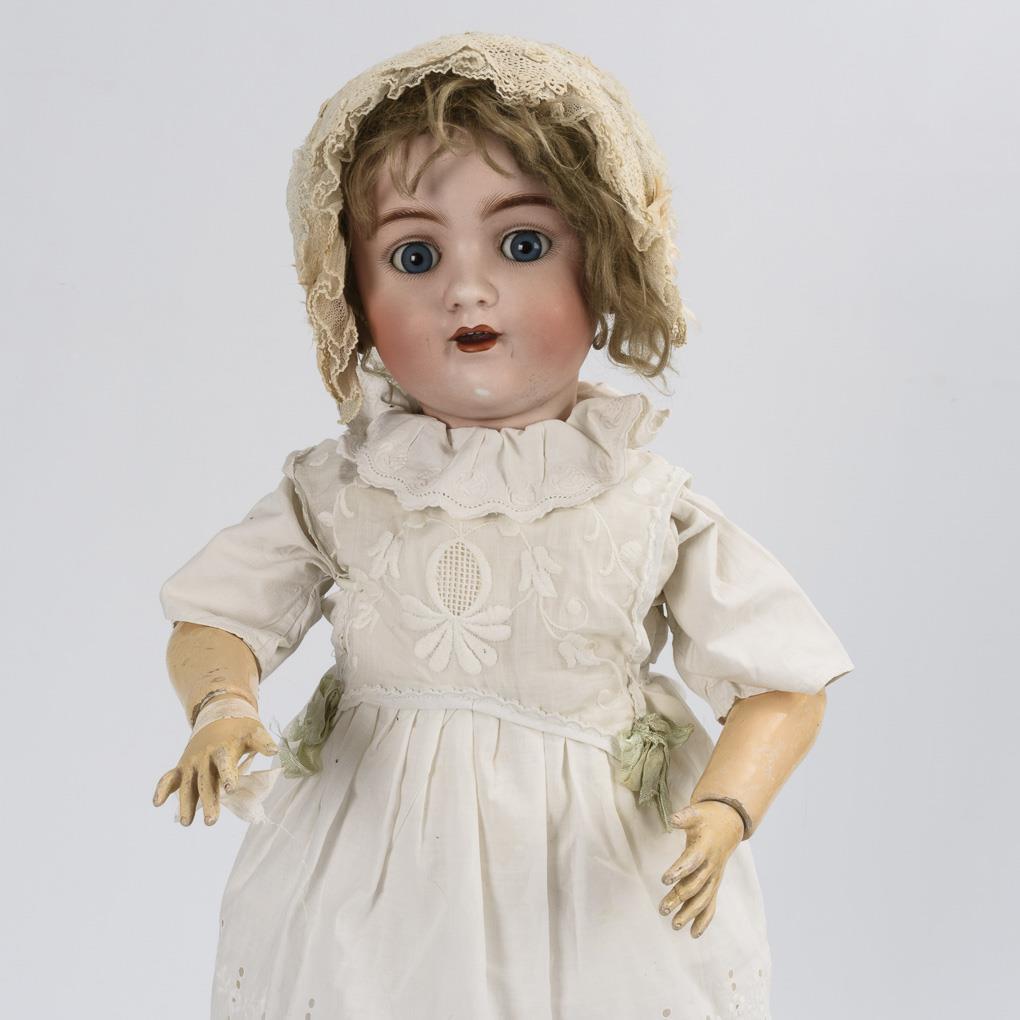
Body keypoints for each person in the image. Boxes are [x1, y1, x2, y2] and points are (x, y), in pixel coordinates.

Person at [153, 32, 854, 1019]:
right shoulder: (342, 487)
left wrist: (727, 806)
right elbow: (220, 612)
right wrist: (222, 704)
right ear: (353, 296)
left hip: (590, 882)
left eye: (522, 245)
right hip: (372, 874)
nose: (467, 289)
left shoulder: (642, 501)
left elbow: (781, 681)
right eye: (414, 255)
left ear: (605, 265)